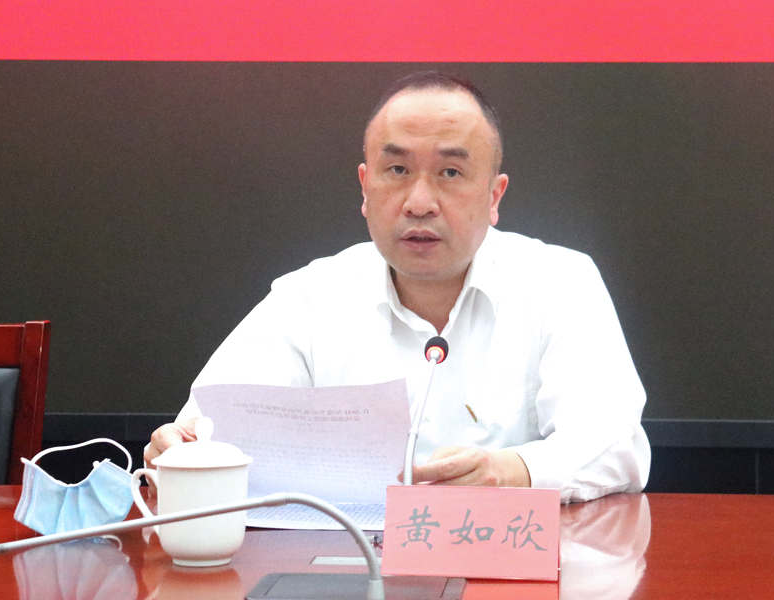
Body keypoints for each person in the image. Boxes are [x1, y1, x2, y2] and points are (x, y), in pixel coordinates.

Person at [147, 71, 650, 503]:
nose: (420, 202)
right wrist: (182, 448)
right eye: (397, 170)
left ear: (494, 195)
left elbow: (616, 445)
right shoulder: (311, 296)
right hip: (350, 564)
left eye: (450, 172)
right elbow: (213, 426)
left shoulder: (559, 281)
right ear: (366, 187)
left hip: (507, 563)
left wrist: (513, 471)